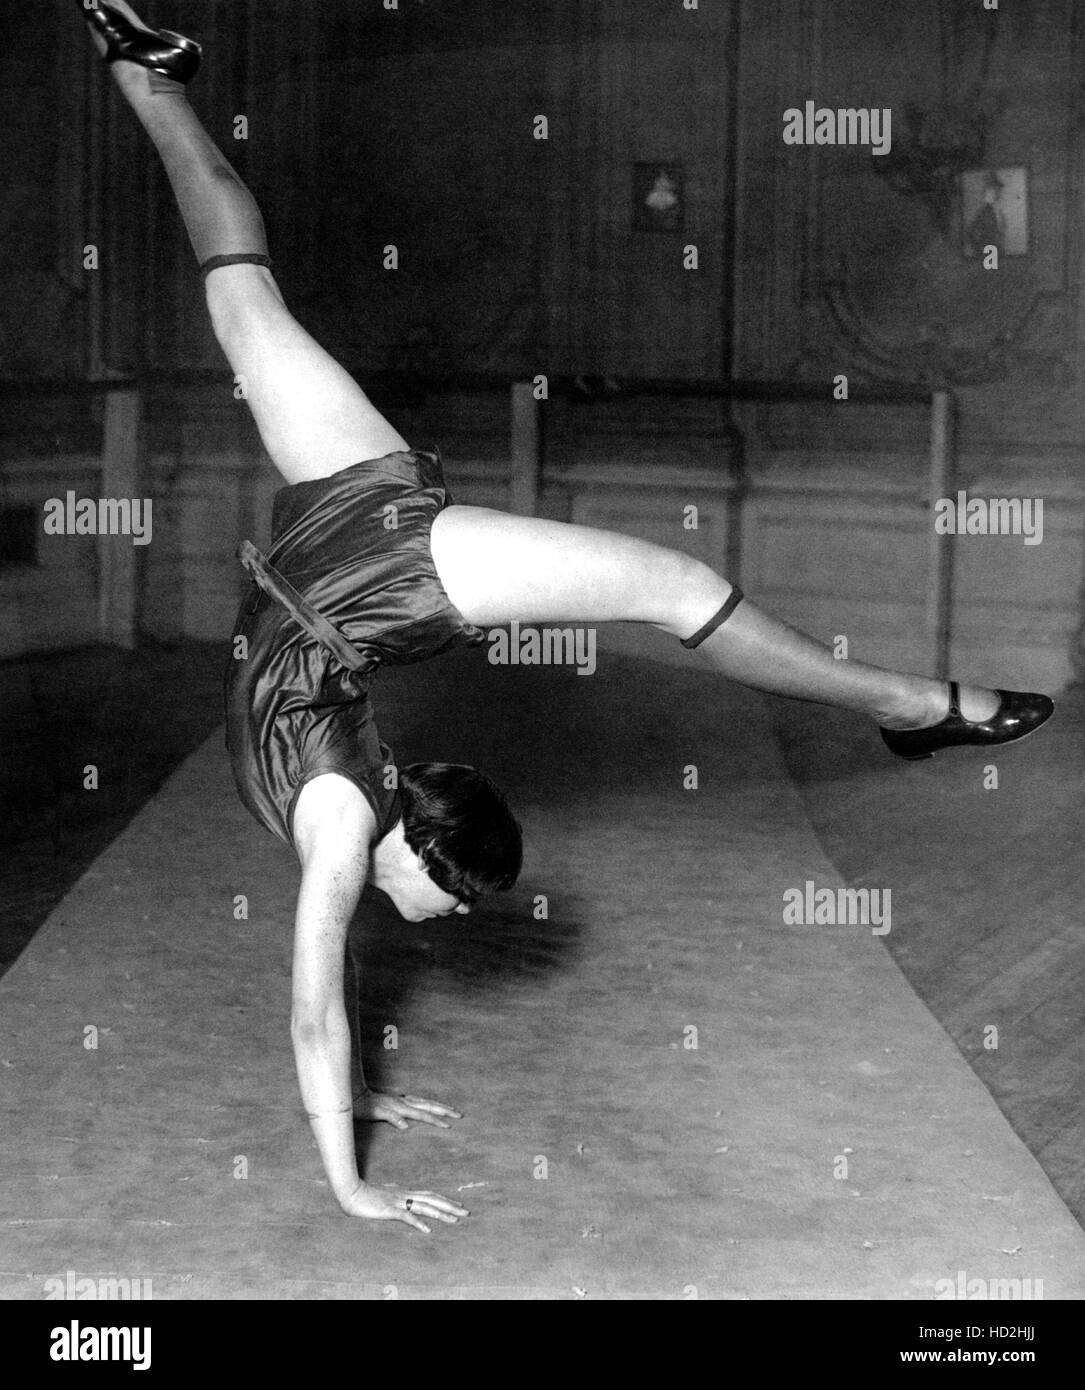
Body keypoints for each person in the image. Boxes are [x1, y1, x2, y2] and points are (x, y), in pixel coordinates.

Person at [78, 2, 1054, 1234]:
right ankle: (147, 82)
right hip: (344, 560)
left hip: (353, 561)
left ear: (427, 855)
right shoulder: (353, 817)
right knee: (251, 301)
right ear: (418, 852)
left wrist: (350, 1173)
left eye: (455, 906)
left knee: (665, 582)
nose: (442, 926)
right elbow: (323, 1006)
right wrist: (357, 1133)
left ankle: (907, 706)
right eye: (455, 907)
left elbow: (313, 1012)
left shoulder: (345, 832)